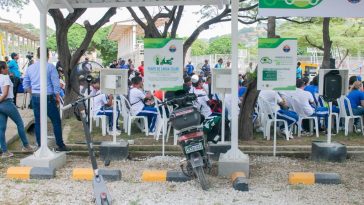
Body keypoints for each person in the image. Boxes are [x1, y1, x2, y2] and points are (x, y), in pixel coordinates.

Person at [23, 47, 69, 152]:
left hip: (35, 96)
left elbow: (25, 84)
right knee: (56, 120)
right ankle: (60, 145)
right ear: (48, 54)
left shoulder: (30, 68)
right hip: (48, 97)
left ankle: (40, 145)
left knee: (39, 121)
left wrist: (33, 92)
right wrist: (57, 96)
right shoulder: (50, 67)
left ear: (37, 55)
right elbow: (55, 82)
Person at [0, 61, 34, 158]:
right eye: (6, 67)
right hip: (7, 103)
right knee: (19, 123)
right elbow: (5, 93)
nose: (8, 69)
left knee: (1, 128)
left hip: (1, 105)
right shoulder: (5, 78)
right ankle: (26, 146)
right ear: (2, 69)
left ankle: (4, 151)